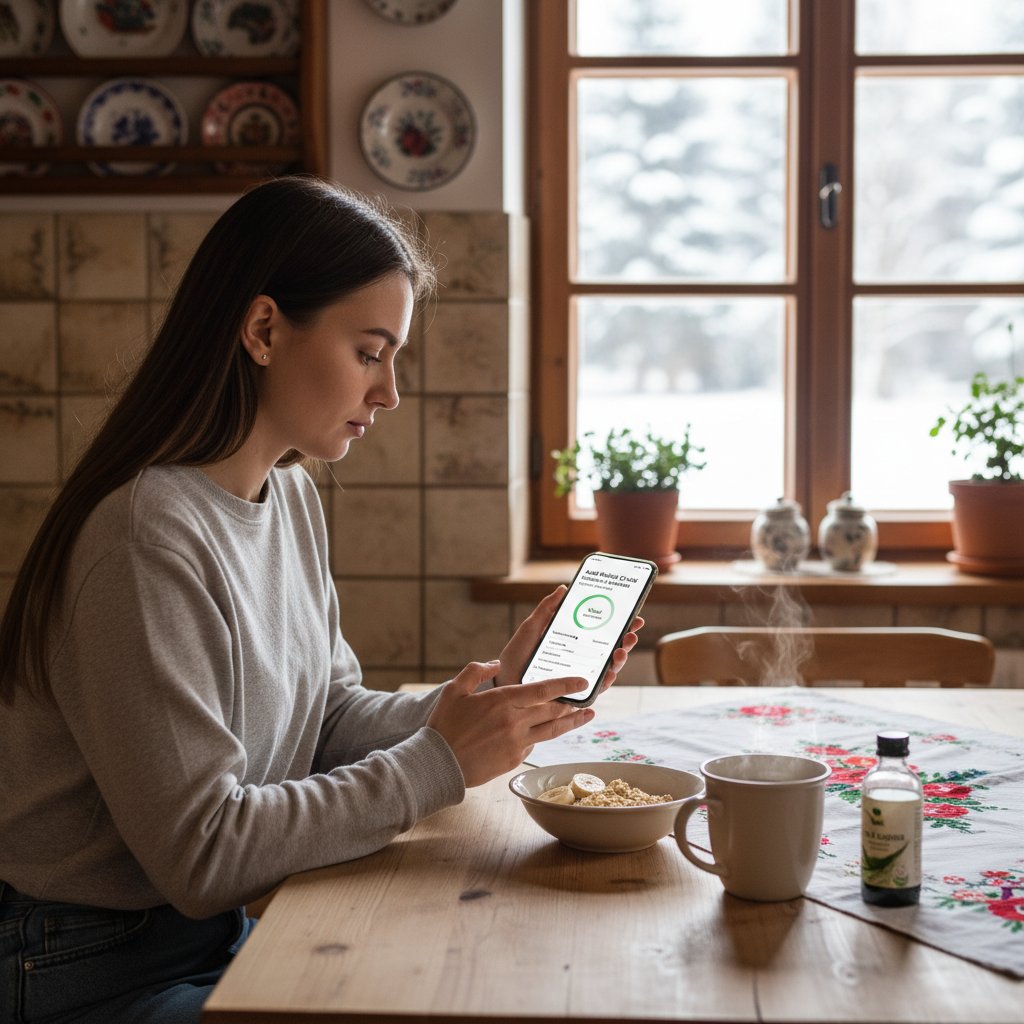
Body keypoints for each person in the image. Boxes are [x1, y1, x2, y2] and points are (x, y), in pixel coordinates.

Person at [0, 176, 641, 1024]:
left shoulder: (288, 495)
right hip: (86, 966)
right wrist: (439, 762)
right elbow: (203, 855)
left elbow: (325, 717)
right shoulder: (143, 538)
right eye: (370, 352)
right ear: (263, 329)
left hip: (207, 935)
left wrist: (475, 708)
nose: (390, 394)